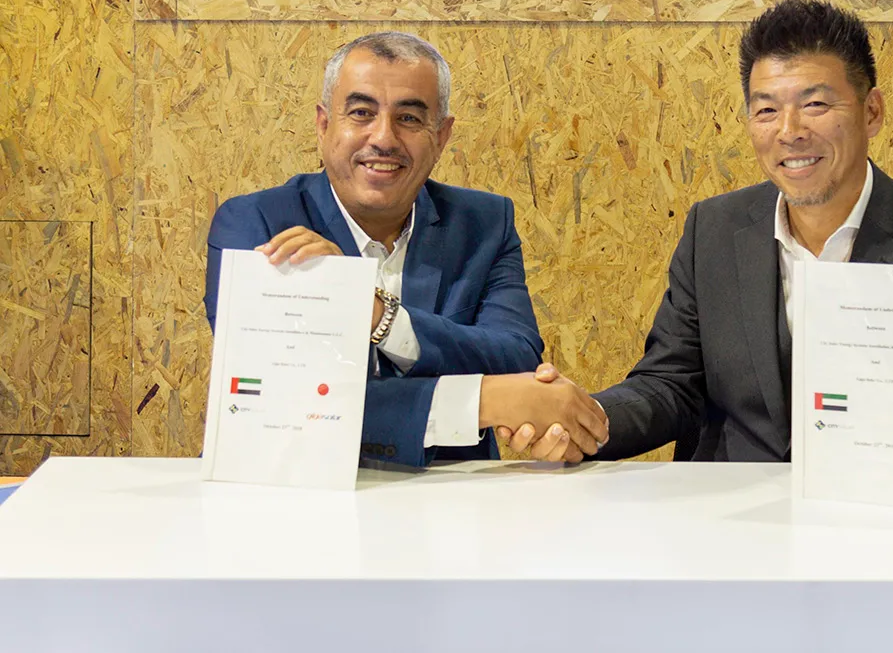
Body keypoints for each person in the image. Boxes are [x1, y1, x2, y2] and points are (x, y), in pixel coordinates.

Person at [496, 0, 893, 512]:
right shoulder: (714, 230)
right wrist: (586, 422)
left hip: (885, 524)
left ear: (872, 112)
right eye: (766, 110)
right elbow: (671, 384)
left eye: (815, 104)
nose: (789, 131)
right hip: (731, 528)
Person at [203, 32, 604, 467]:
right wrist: (484, 401)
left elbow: (516, 359)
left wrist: (379, 315)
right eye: (361, 113)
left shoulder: (484, 223)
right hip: (289, 488)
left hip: (453, 495)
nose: (383, 138)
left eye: (409, 118)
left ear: (441, 136)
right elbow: (274, 403)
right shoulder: (256, 225)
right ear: (323, 125)